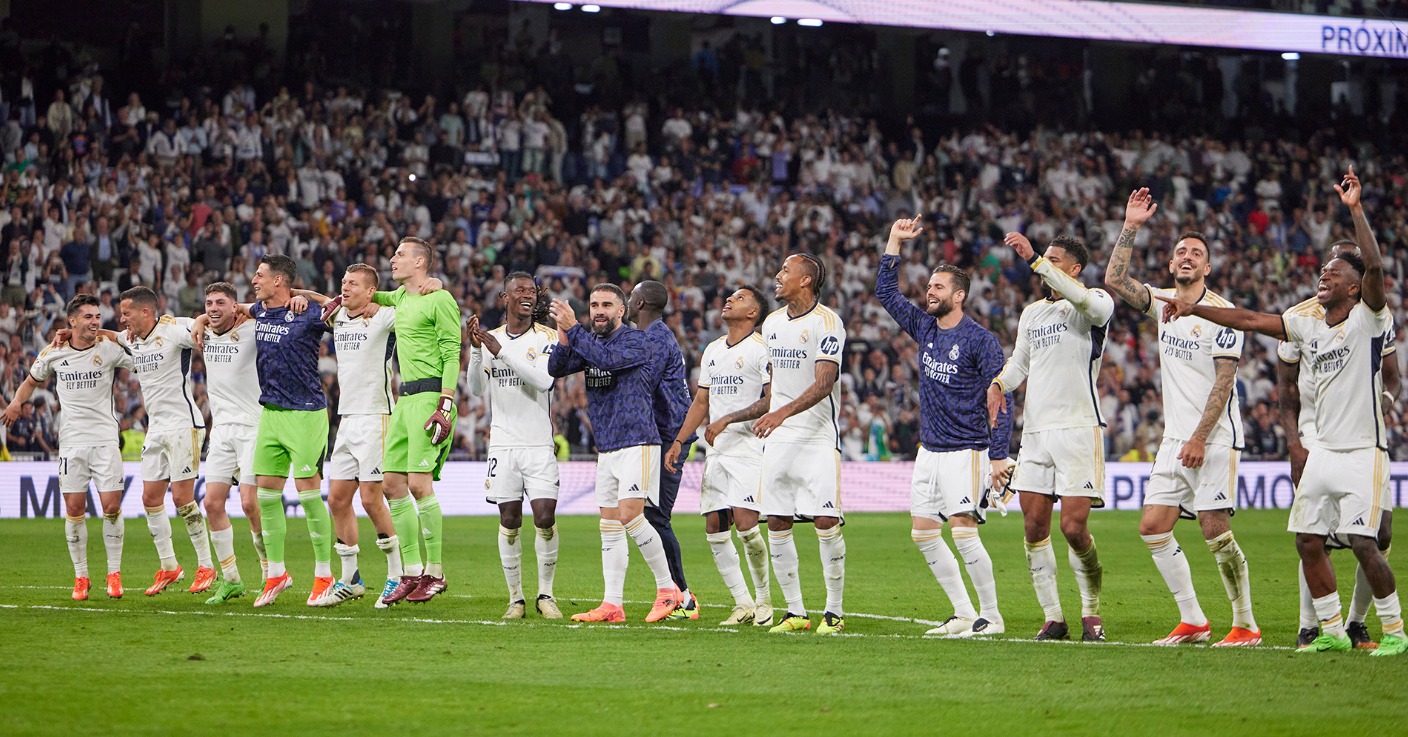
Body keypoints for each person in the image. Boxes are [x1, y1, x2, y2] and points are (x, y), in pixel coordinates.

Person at [1162, 166, 1405, 656]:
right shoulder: (1305, 325)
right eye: (1322, 272)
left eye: (1333, 275)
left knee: (1365, 541)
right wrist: (1195, 308)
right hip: (1322, 452)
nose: (1323, 276)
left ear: (1355, 288)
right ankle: (1330, 629)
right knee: (1308, 540)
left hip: (1363, 450)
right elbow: (1249, 318)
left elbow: (1376, 271)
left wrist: (1356, 210)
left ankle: (1395, 632)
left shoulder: (1369, 320)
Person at [1102, 189, 1260, 647]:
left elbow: (1224, 382)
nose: (1186, 257)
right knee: (1153, 527)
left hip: (1212, 438)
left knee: (1214, 527)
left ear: (1208, 267)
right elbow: (1115, 279)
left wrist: (1197, 438)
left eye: (1196, 253)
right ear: (1172, 266)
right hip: (1175, 440)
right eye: (1180, 252)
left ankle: (1245, 624)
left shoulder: (1223, 313)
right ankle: (1193, 621)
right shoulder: (1165, 301)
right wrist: (1131, 224)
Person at [876, 217, 1013, 638]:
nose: (928, 292)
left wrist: (999, 455)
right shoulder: (924, 327)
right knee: (923, 533)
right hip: (929, 450)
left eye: (937, 288)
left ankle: (992, 615)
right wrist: (895, 241)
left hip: (967, 449)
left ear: (959, 296)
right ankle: (962, 613)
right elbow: (886, 292)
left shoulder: (981, 340)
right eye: (929, 286)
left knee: (963, 531)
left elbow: (1001, 398)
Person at [988, 231, 1113, 642]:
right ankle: (1054, 617)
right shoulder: (1030, 314)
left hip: (1079, 429)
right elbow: (1019, 364)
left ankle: (1091, 612)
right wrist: (998, 385)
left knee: (1074, 528)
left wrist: (1034, 258)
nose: (1047, 266)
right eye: (1047, 260)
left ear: (1075, 269)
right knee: (1034, 526)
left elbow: (1083, 301)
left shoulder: (1094, 303)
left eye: (1056, 261)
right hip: (1036, 433)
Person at [1279, 240, 1399, 649]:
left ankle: (1355, 622)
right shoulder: (1299, 317)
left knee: (1377, 534)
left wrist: (1381, 404)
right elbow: (1285, 389)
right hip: (1317, 433)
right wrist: (1295, 443)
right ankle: (1311, 625)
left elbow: (1394, 376)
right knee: (1310, 531)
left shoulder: (1372, 317)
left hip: (1363, 431)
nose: (1329, 273)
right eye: (1329, 264)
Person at [201, 255, 333, 608]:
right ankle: (275, 574)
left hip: (306, 413)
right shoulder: (258, 312)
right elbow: (224, 310)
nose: (254, 280)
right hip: (270, 413)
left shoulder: (307, 312)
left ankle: (324, 576)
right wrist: (201, 317)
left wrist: (304, 294)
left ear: (279, 281)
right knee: (265, 498)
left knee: (308, 494)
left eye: (260, 276)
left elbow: (340, 304)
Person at [547, 285, 682, 623]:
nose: (598, 311)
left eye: (607, 304)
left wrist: (575, 327)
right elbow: (555, 368)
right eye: (593, 305)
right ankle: (612, 604)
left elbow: (607, 360)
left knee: (631, 517)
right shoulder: (590, 342)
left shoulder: (638, 341)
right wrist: (565, 332)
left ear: (622, 310)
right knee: (609, 525)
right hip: (607, 446)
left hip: (638, 440)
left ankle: (669, 591)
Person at [3, 294, 132, 600]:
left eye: (98, 316)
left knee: (111, 507)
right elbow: (32, 380)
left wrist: (111, 334)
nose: (95, 322)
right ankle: (81, 577)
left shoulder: (109, 349)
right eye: (88, 317)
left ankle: (114, 574)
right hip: (71, 442)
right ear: (71, 321)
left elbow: (142, 358)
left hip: (104, 440)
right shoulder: (54, 352)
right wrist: (16, 403)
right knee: (74, 509)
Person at [665, 285, 774, 627]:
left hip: (749, 448)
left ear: (753, 313)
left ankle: (765, 601)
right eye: (729, 296)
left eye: (740, 298)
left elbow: (772, 399)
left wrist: (727, 418)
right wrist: (680, 441)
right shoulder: (712, 350)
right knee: (714, 527)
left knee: (746, 527)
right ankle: (742, 603)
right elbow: (701, 402)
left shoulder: (761, 349)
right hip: (717, 452)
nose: (729, 299)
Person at [754, 253, 848, 635]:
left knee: (826, 521)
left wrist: (782, 412)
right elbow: (775, 378)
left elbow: (824, 382)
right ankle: (795, 613)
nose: (777, 277)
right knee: (777, 521)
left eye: (785, 272)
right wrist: (769, 412)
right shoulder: (772, 323)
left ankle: (834, 612)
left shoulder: (828, 322)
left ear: (805, 280)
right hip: (778, 439)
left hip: (816, 436)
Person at [467, 272, 563, 619]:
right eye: (519, 290)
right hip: (503, 445)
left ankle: (546, 594)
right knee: (509, 518)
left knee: (545, 516)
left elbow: (545, 380)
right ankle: (516, 599)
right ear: (504, 299)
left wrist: (501, 351)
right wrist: (477, 351)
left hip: (538, 443)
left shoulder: (548, 337)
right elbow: (477, 388)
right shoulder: (490, 338)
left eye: (531, 291)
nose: (527, 295)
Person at [373, 237, 463, 606]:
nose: (393, 259)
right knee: (392, 485)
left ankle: (436, 572)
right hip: (404, 400)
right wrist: (306, 295)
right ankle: (411, 571)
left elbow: (452, 352)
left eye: (400, 254)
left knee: (419, 485)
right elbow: (364, 294)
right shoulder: (400, 298)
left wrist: (445, 403)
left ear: (421, 262)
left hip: (430, 398)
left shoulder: (440, 299)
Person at [314, 263, 404, 607]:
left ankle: (396, 576)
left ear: (370, 291)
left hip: (377, 415)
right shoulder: (337, 316)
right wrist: (301, 296)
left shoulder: (384, 317)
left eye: (353, 284)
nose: (345, 287)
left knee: (370, 499)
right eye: (343, 282)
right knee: (337, 499)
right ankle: (350, 578)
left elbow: (413, 308)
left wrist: (384, 301)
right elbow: (316, 299)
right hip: (347, 418)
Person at [117, 286, 214, 596]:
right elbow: (109, 336)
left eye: (126, 313)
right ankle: (170, 566)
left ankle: (206, 566)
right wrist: (71, 332)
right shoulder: (135, 340)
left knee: (183, 499)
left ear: (146, 312)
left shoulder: (172, 328)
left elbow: (201, 323)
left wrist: (199, 318)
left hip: (184, 425)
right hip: (156, 428)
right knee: (150, 499)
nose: (123, 319)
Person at [627, 280, 696, 618]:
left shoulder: (654, 337)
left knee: (657, 516)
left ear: (639, 303)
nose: (627, 301)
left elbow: (643, 382)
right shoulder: (658, 335)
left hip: (669, 437)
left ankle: (683, 595)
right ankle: (678, 592)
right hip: (665, 435)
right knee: (652, 516)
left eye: (629, 297)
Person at [197, 282, 267, 604]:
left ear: (235, 306)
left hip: (253, 427)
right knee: (211, 504)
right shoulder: (204, 332)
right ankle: (232, 579)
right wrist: (199, 320)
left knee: (251, 504)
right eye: (209, 303)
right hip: (221, 430)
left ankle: (271, 571)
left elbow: (276, 309)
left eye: (220, 303)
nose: (213, 308)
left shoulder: (253, 329)